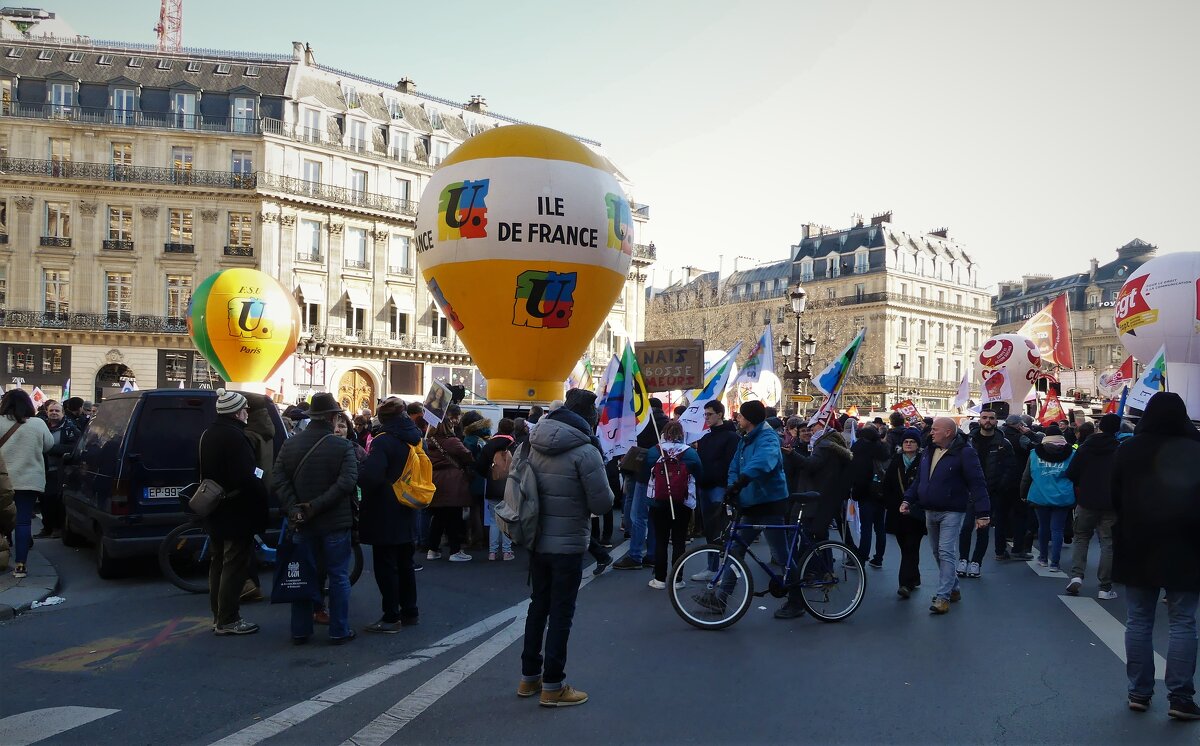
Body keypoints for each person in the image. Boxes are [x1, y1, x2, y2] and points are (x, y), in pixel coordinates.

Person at [518, 388, 613, 707]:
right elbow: (602, 504)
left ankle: (528, 678)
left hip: (536, 537)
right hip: (568, 543)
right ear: (587, 418)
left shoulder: (533, 440)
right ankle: (553, 685)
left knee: (538, 606)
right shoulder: (586, 451)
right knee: (561, 613)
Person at [1111, 392, 1200, 719]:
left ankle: (1138, 692)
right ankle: (1180, 697)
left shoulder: (1128, 449)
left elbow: (1115, 497)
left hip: (1138, 543)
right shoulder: (1196, 449)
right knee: (1182, 622)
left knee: (1138, 620)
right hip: (1187, 546)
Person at [273, 392, 359, 645]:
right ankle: (338, 630)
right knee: (339, 577)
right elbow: (347, 482)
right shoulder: (342, 446)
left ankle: (300, 630)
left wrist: (295, 508)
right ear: (333, 417)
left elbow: (278, 478)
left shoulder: (290, 444)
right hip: (334, 521)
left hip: (302, 522)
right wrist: (316, 506)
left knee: (302, 573)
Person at [714, 401, 796, 619]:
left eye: (740, 416)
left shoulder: (768, 438)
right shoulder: (745, 439)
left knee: (781, 553)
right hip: (751, 503)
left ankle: (797, 601)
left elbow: (763, 462)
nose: (738, 419)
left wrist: (742, 480)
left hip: (769, 503)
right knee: (736, 551)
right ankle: (721, 598)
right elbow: (735, 465)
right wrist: (733, 486)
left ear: (749, 419)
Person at [900, 417, 990, 615]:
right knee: (936, 552)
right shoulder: (928, 452)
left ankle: (943, 596)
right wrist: (908, 499)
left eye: (935, 429)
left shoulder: (965, 453)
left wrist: (983, 513)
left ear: (948, 432)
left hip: (952, 510)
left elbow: (977, 483)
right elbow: (920, 481)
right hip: (929, 509)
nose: (931, 432)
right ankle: (953, 587)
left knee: (946, 551)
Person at [199, 389, 269, 635]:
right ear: (237, 412)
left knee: (217, 561)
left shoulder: (209, 433)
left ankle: (218, 615)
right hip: (236, 509)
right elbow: (246, 476)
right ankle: (229, 618)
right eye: (245, 409)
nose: (248, 412)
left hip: (215, 507)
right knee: (235, 563)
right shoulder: (235, 437)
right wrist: (261, 490)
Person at [358, 398, 422, 633]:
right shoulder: (414, 439)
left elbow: (372, 476)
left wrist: (359, 473)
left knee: (386, 566)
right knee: (405, 564)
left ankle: (391, 615)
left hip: (385, 510)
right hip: (407, 505)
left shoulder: (384, 441)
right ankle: (410, 611)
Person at [1063, 412, 1121, 599]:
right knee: (1108, 544)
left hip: (1086, 500)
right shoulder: (1119, 449)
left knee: (1081, 538)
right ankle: (1105, 587)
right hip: (1110, 503)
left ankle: (1077, 576)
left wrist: (1084, 483)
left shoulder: (1085, 448)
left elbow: (1071, 472)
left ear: (1100, 427)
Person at [0, 389, 53, 580]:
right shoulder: (38, 423)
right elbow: (49, 445)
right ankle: (20, 566)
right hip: (28, 481)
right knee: (23, 522)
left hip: (2, 481)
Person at [644, 420, 702, 590]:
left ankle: (660, 579)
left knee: (660, 539)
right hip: (682, 501)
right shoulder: (690, 453)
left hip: (658, 501)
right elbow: (700, 474)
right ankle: (677, 579)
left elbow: (643, 473)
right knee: (679, 540)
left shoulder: (654, 452)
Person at [612, 397, 668, 570]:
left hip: (643, 473)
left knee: (638, 516)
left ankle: (635, 555)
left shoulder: (641, 423)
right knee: (653, 516)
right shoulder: (666, 424)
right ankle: (651, 554)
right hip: (661, 475)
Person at [960, 407, 1014, 578]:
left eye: (991, 418)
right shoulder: (968, 441)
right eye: (985, 418)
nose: (988, 421)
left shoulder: (1003, 443)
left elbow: (1010, 468)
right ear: (979, 420)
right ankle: (963, 559)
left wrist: (1000, 486)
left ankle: (976, 562)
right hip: (969, 492)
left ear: (996, 421)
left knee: (983, 529)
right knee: (966, 527)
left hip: (991, 492)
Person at [692, 400, 739, 579]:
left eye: (709, 414)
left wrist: (729, 488)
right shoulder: (705, 437)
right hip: (704, 487)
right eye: (705, 415)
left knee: (723, 530)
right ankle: (712, 568)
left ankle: (725, 572)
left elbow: (731, 464)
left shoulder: (731, 437)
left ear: (720, 414)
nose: (706, 418)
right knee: (710, 530)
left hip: (720, 488)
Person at [1019, 423, 1075, 573]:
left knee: (1043, 527)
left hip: (1040, 495)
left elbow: (1026, 476)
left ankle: (1043, 558)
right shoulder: (1071, 453)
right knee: (1057, 530)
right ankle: (1055, 563)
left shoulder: (1034, 453)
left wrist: (1023, 494)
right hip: (1063, 496)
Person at [425, 419, 475, 562]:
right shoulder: (452, 442)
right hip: (452, 481)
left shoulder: (428, 441)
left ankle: (432, 549)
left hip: (434, 479)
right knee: (454, 517)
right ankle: (455, 550)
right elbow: (467, 456)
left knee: (438, 518)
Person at [884, 428, 925, 597]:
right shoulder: (895, 460)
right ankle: (914, 577)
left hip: (916, 513)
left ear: (918, 445)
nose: (908, 444)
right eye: (906, 442)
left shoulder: (923, 461)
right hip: (897, 512)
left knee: (911, 546)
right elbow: (888, 485)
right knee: (906, 548)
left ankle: (905, 584)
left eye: (912, 442)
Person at [849, 424, 890, 568]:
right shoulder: (883, 449)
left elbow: (859, 476)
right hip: (882, 492)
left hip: (866, 493)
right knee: (880, 527)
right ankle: (878, 558)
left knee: (866, 528)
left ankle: (861, 558)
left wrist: (855, 493)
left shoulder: (860, 449)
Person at [38, 400, 80, 539]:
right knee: (44, 500)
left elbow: (75, 448)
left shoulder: (70, 429)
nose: (54, 413)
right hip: (42, 470)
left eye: (57, 411)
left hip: (60, 470)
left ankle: (57, 527)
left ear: (63, 413)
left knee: (55, 500)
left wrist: (52, 449)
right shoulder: (41, 427)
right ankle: (47, 527)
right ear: (47, 412)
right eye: (51, 411)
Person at [477, 417, 516, 561]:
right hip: (510, 486)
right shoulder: (514, 445)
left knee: (494, 520)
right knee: (507, 519)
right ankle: (507, 552)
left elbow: (480, 466)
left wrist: (488, 475)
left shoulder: (489, 445)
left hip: (493, 485)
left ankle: (492, 552)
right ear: (512, 430)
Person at [461, 411, 491, 550]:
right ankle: (488, 538)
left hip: (474, 477)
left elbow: (467, 459)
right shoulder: (487, 435)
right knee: (486, 510)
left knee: (474, 508)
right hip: (488, 476)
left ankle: (476, 539)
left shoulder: (469, 439)